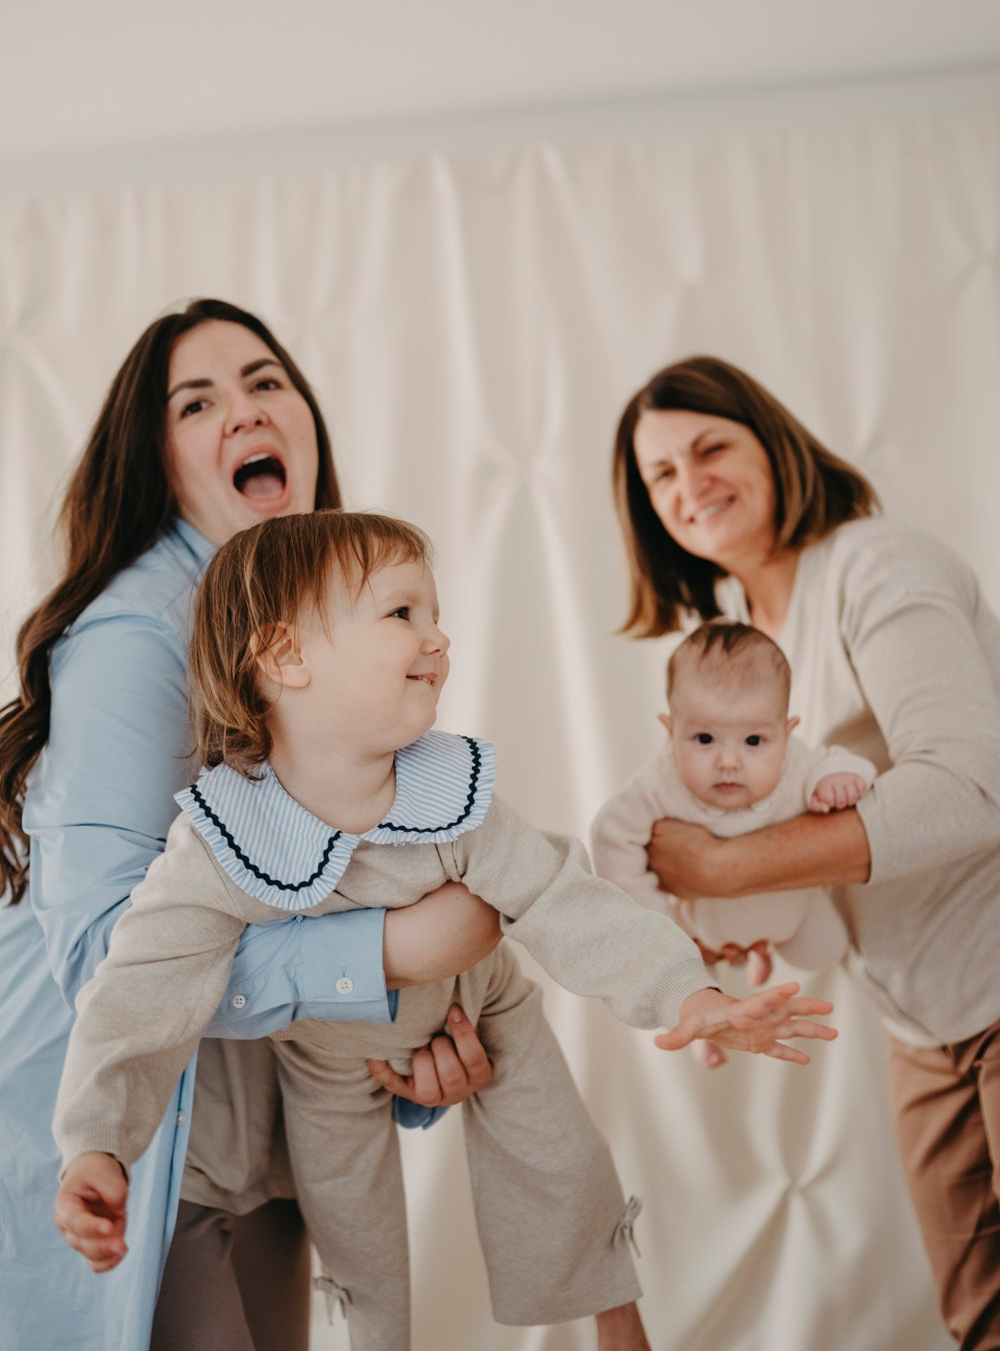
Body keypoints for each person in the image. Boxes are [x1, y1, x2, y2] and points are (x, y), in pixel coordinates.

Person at [52, 508, 839, 1351]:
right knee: (359, 1250)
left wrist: (689, 993)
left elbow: (567, 901)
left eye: (435, 613)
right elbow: (139, 991)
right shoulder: (227, 835)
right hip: (327, 1063)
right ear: (285, 656)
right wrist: (96, 1143)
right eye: (403, 613)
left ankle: (617, 1320)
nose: (438, 638)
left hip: (481, 1004)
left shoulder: (449, 794)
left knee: (562, 1159)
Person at [0, 300, 502, 1351]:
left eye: (266, 382)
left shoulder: (338, 623)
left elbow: (332, 875)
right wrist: (386, 954)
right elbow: (103, 955)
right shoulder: (136, 635)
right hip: (132, 1147)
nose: (245, 412)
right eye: (197, 403)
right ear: (157, 463)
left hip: (268, 1134)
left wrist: (413, 1054)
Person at [611, 355, 1000, 1347]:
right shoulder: (742, 645)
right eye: (661, 475)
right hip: (922, 1026)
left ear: (773, 442)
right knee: (978, 1319)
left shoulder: (876, 566)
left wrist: (727, 867)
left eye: (710, 447)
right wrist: (741, 922)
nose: (690, 484)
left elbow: (970, 788)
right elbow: (824, 846)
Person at [592, 620, 874, 1068]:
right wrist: (653, 915)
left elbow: (846, 763)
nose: (728, 760)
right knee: (683, 974)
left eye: (754, 740)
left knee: (824, 950)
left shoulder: (797, 763)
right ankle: (703, 1032)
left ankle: (765, 950)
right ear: (670, 731)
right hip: (705, 928)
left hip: (794, 910)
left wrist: (839, 779)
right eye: (704, 739)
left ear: (787, 732)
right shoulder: (660, 782)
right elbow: (611, 831)